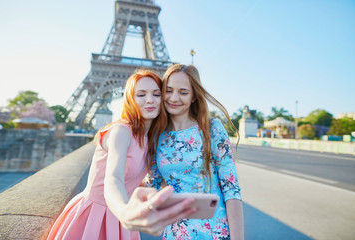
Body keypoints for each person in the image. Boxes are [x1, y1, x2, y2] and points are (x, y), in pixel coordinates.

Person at [47, 69, 196, 240]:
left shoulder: (149, 140)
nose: (150, 100)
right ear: (131, 99)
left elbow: (134, 181)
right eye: (141, 94)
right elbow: (113, 180)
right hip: (97, 215)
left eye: (156, 94)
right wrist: (125, 213)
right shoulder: (121, 131)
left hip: (121, 218)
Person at [147, 64, 244, 239]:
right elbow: (151, 185)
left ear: (193, 97)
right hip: (176, 233)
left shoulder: (212, 128)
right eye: (168, 90)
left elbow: (231, 189)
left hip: (215, 232)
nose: (173, 98)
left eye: (183, 92)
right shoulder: (156, 136)